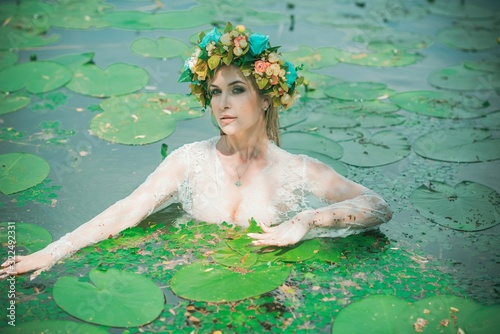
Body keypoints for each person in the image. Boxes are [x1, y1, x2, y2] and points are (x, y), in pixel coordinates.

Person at [0, 23, 392, 280]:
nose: (223, 103)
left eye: (237, 90)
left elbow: (377, 206)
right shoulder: (190, 159)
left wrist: (308, 219)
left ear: (268, 99)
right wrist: (53, 251)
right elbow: (128, 209)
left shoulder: (299, 169)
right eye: (216, 92)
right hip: (194, 283)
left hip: (274, 287)